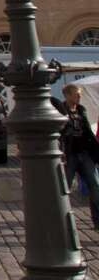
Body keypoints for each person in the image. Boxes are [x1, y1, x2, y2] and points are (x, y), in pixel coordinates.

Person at [53, 83, 99, 228]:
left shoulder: (81, 109)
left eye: (80, 94)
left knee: (95, 186)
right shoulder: (61, 110)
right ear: (67, 95)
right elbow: (60, 133)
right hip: (70, 154)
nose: (79, 97)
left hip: (84, 153)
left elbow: (87, 132)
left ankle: (97, 221)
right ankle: (60, 221)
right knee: (64, 188)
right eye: (76, 94)